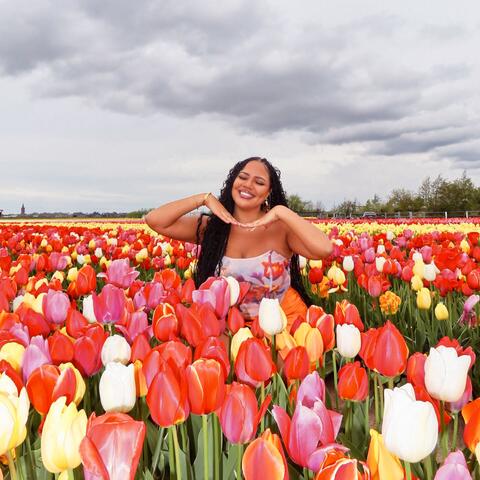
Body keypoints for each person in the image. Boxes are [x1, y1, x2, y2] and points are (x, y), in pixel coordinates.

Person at [145, 157, 333, 327]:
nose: (248, 185)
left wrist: (281, 212)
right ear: (233, 181)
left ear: (268, 192)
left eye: (259, 182)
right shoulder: (212, 228)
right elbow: (155, 220)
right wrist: (203, 199)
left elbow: (324, 249)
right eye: (242, 177)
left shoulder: (281, 230)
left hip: (282, 324)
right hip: (228, 326)